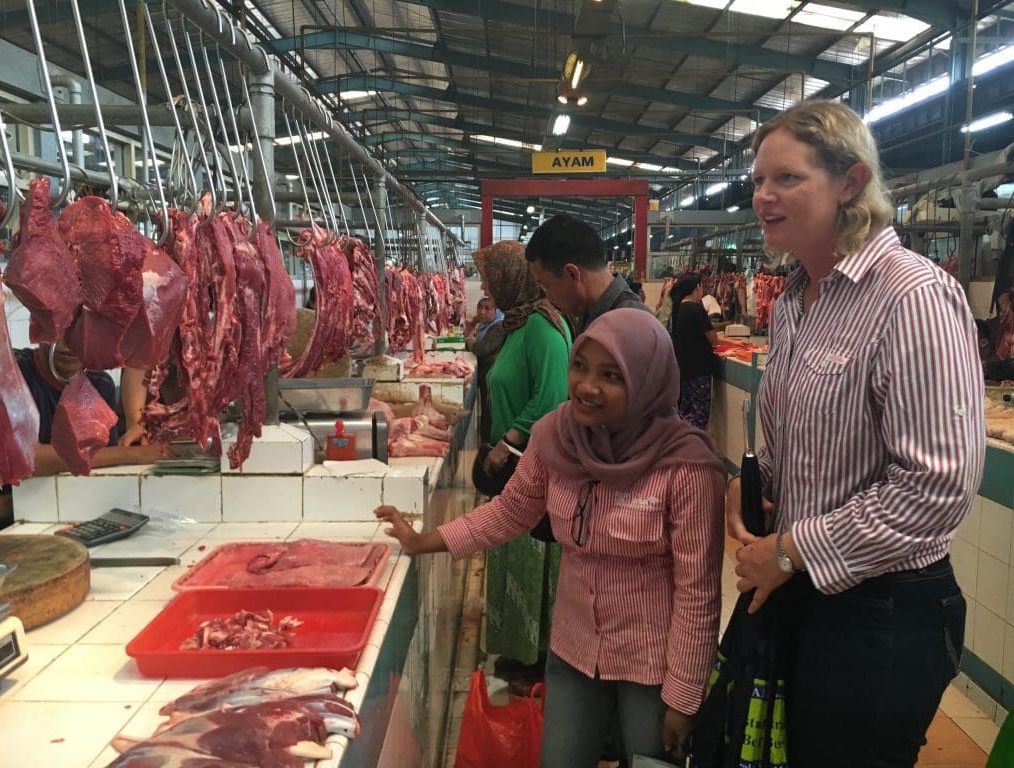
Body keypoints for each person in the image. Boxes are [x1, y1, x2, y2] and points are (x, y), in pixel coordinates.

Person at [729, 100, 985, 768]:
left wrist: (790, 550)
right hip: (808, 599)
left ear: (850, 181)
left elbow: (937, 486)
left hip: (882, 613)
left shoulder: (911, 296)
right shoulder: (794, 301)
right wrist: (760, 492)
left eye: (786, 178)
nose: (763, 196)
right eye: (758, 180)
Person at [376, 309, 725, 767]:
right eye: (580, 366)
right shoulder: (555, 437)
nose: (586, 386)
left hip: (654, 664)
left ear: (647, 381)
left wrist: (683, 696)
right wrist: (426, 540)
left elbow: (698, 591)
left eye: (611, 375)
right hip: (574, 649)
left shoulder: (687, 467)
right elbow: (510, 512)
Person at [472, 240, 572, 669]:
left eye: (493, 279)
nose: (487, 288)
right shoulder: (518, 324)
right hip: (514, 467)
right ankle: (518, 647)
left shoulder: (541, 327)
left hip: (530, 466)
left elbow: (551, 395)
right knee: (510, 556)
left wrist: (507, 441)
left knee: (528, 561)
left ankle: (535, 657)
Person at [0, 341, 169, 532]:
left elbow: (101, 475)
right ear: (37, 323)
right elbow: (28, 459)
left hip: (61, 517)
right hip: (3, 523)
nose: (67, 343)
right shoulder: (11, 373)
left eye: (79, 329)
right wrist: (133, 454)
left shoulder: (100, 384)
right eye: (56, 328)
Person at [525, 214, 647, 335]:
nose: (549, 299)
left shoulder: (630, 327)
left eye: (547, 286)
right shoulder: (590, 312)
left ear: (572, 274)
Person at [668, 274, 720, 430]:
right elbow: (713, 339)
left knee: (686, 411)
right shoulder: (696, 308)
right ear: (697, 287)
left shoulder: (678, 308)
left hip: (685, 368)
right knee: (699, 414)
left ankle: (683, 444)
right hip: (699, 369)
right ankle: (694, 447)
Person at [464, 296, 506, 442]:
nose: (482, 312)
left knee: (489, 414)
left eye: (487, 308)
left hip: (492, 378)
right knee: (486, 412)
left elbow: (481, 349)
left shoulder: (499, 326)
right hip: (486, 376)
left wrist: (469, 341)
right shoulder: (484, 327)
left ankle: (488, 445)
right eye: (480, 308)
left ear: (496, 311)